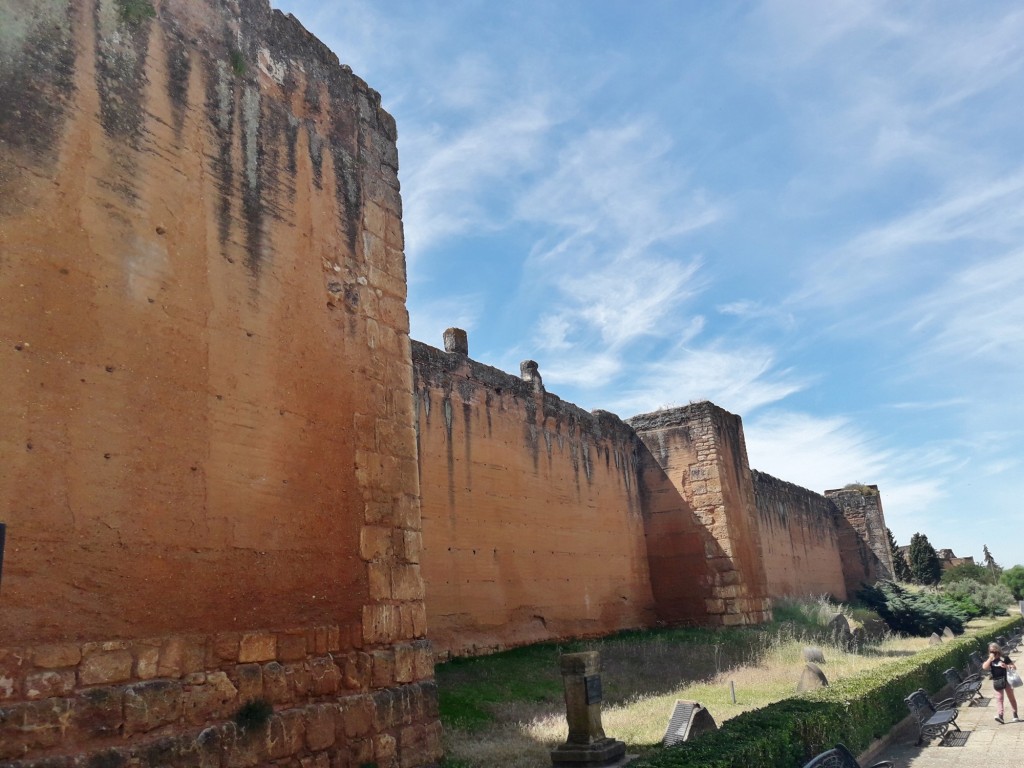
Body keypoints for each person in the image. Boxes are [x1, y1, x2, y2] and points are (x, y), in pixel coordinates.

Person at [982, 641, 1019, 723]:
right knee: (999, 698)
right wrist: (990, 659)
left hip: (1007, 680)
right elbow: (984, 667)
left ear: (998, 650)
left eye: (994, 650)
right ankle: (1000, 716)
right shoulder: (991, 660)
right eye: (991, 651)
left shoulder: (1004, 658)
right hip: (997, 681)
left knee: (1011, 697)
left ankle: (1015, 714)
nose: (993, 652)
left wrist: (1006, 666)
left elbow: (1014, 667)